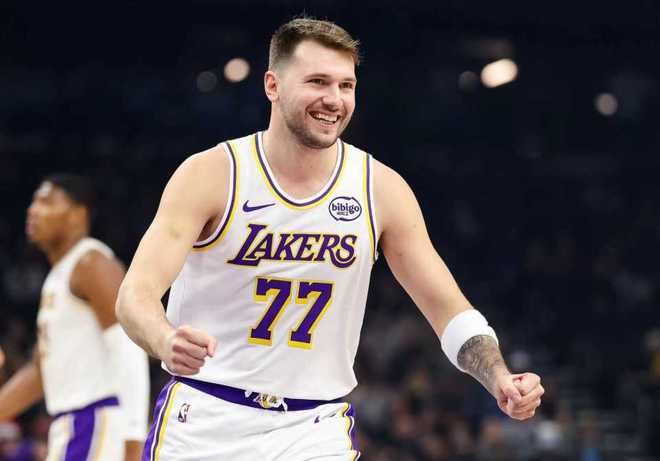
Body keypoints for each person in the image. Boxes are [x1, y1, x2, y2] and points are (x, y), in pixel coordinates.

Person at [116, 17, 544, 461]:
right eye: (317, 82)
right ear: (272, 85)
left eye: (346, 85)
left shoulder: (380, 188)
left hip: (313, 428)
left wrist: (498, 375)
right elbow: (135, 295)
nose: (334, 99)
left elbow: (448, 309)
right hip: (207, 417)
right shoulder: (211, 174)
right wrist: (164, 339)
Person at [0, 174, 150, 461]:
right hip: (72, 424)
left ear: (77, 215)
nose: (33, 210)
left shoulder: (91, 263)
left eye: (46, 201)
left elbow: (129, 346)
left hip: (95, 420)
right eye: (33, 202)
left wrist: (134, 438)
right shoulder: (58, 275)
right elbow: (40, 372)